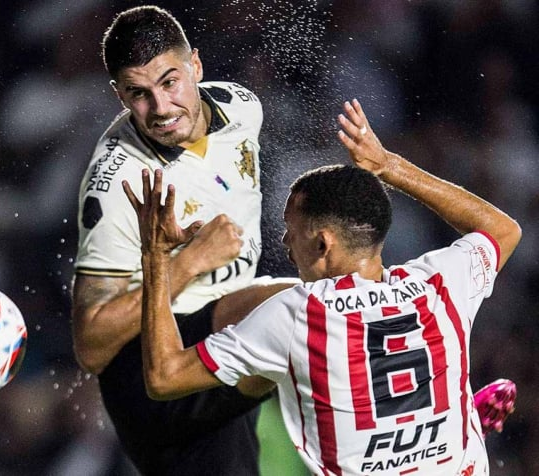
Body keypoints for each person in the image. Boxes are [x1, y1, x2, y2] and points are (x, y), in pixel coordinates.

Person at [123, 99, 522, 475]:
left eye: (291, 230)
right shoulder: (440, 283)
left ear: (322, 243)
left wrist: (155, 257)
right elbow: (503, 229)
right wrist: (389, 166)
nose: (285, 242)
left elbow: (164, 377)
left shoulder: (296, 314)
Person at [71, 5, 298, 475]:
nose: (160, 108)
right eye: (138, 94)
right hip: (152, 375)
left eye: (169, 82)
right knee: (299, 308)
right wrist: (188, 262)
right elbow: (91, 345)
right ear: (119, 94)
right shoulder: (119, 182)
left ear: (195, 65)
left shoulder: (241, 107)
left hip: (218, 344)